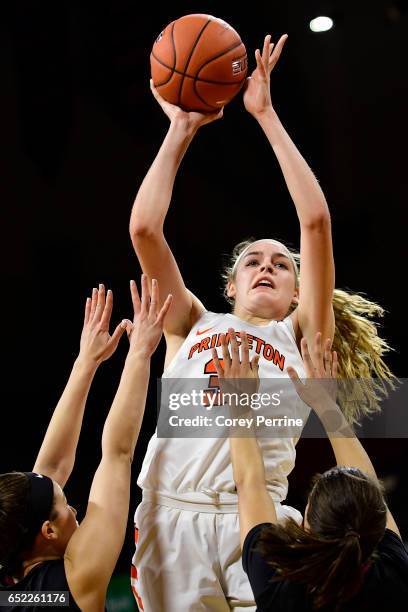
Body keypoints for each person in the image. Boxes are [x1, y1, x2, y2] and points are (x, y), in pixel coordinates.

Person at [129, 33, 394, 611]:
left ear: (299, 291)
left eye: (281, 263)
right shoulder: (191, 324)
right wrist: (181, 130)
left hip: (263, 518)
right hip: (173, 516)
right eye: (254, 260)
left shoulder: (300, 336)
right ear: (230, 285)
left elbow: (317, 222)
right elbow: (145, 230)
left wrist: (266, 115)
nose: (268, 267)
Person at [0, 278, 171, 611]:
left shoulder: (10, 580)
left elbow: (49, 472)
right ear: (47, 531)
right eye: (65, 507)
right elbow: (117, 454)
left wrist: (86, 362)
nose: (75, 511)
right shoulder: (75, 581)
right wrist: (140, 353)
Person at [212, 330, 408, 611]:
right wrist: (327, 404)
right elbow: (250, 485)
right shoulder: (393, 576)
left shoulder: (281, 586)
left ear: (308, 527)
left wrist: (240, 402)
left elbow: (250, 483)